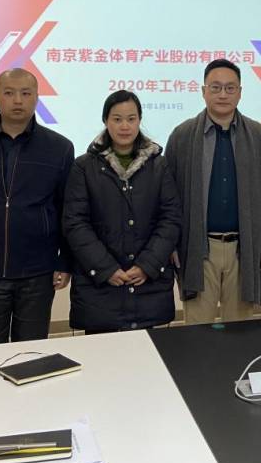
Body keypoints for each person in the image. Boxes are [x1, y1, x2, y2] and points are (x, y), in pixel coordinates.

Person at [0, 68, 75, 345]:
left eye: (26, 93)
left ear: (37, 97)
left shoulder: (59, 148)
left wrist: (65, 261)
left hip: (38, 271)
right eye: (9, 93)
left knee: (32, 352)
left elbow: (67, 210)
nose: (17, 100)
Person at [165, 58, 261, 323]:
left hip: (245, 248)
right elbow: (168, 199)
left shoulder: (259, 136)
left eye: (230, 88)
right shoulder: (182, 136)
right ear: (203, 91)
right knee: (197, 332)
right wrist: (171, 243)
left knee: (240, 332)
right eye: (215, 87)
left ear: (240, 92)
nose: (222, 94)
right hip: (198, 248)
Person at [64, 91, 181, 333]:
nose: (124, 126)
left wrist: (147, 265)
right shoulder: (84, 166)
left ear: (139, 120)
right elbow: (75, 223)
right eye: (117, 119)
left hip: (148, 285)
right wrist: (106, 269)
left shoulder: (159, 165)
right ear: (105, 121)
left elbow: (170, 219)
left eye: (131, 118)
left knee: (148, 354)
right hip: (100, 287)